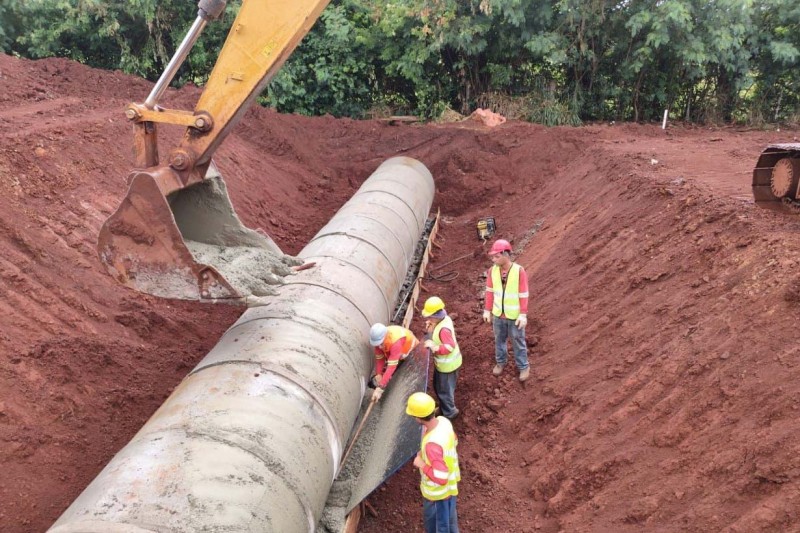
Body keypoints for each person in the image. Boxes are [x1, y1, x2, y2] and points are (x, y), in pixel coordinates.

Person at [406, 392, 460, 533]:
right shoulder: (443, 421)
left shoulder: (432, 445)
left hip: (438, 495)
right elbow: (454, 440)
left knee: (438, 526)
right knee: (450, 521)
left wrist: (422, 464)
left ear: (418, 418)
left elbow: (441, 478)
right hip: (451, 487)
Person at [482, 238, 530, 382]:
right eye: (493, 256)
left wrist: (523, 314)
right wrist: (487, 310)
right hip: (498, 314)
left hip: (514, 316)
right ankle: (501, 362)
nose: (494, 259)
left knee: (518, 340)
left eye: (497, 256)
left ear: (505, 255)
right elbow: (489, 291)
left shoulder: (519, 271)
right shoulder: (492, 271)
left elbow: (523, 294)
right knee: (499, 340)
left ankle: (523, 366)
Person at [421, 296, 462, 419]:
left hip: (448, 366)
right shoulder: (444, 320)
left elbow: (449, 347)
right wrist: (432, 327)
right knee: (438, 387)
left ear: (435, 316)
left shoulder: (443, 329)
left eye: (429, 317)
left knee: (444, 391)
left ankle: (450, 413)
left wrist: (434, 347)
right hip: (443, 366)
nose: (428, 319)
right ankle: (444, 408)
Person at [369, 322, 420, 402]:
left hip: (411, 351)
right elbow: (380, 359)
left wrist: (380, 388)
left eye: (380, 343)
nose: (379, 346)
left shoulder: (395, 342)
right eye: (377, 344)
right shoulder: (380, 341)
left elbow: (391, 366)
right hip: (395, 353)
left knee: (395, 372)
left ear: (385, 336)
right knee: (384, 375)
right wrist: (378, 374)